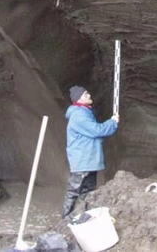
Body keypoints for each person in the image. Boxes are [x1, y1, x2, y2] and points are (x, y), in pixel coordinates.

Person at [61, 85, 119, 219]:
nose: (89, 95)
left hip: (88, 160)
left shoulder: (85, 112)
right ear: (79, 99)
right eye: (85, 94)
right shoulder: (79, 115)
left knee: (87, 192)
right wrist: (112, 122)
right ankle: (65, 219)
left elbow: (95, 134)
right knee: (75, 190)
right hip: (82, 160)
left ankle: (82, 217)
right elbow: (97, 130)